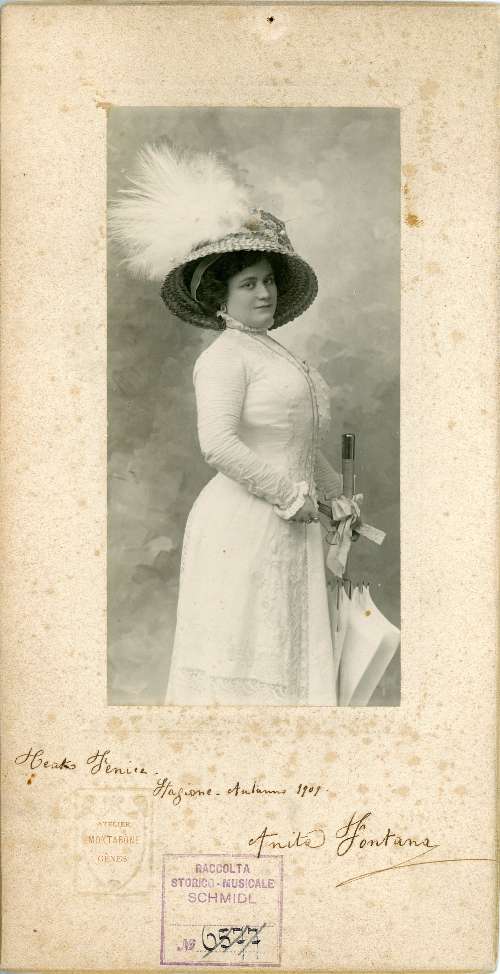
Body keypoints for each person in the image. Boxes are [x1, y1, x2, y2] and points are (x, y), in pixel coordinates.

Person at [109, 139, 361, 706]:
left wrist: (334, 496)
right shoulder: (224, 357)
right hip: (245, 524)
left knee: (291, 661)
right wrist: (291, 495)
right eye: (249, 283)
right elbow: (219, 444)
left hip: (291, 524)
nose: (265, 292)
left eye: (268, 279)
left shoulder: (275, 353)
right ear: (220, 296)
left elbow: (295, 443)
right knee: (247, 662)